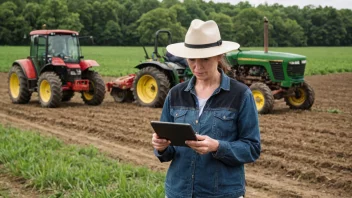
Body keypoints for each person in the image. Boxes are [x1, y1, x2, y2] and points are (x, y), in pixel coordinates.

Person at [152, 19, 261, 198]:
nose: (197, 66)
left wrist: (217, 146)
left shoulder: (240, 95)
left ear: (219, 56)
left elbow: (252, 148)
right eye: (192, 59)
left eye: (205, 59)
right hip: (178, 192)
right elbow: (168, 152)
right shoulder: (175, 94)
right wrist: (161, 147)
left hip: (223, 193)